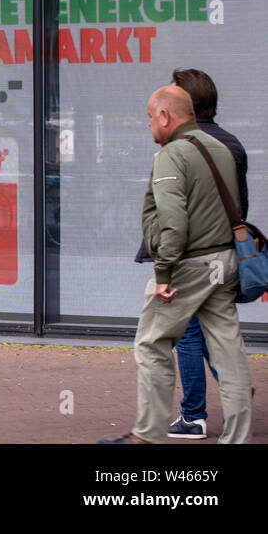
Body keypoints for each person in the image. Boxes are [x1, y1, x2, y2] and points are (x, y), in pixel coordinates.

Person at [101, 85, 251, 443]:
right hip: (225, 262)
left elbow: (173, 219)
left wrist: (163, 271)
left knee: (152, 344)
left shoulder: (172, 155)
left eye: (151, 117)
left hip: (188, 266)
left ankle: (147, 436)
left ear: (166, 116)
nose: (149, 125)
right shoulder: (221, 148)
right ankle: (238, 439)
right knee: (229, 355)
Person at [167, 69, 249, 439]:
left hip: (191, 257)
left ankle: (194, 415)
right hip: (225, 257)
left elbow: (174, 212)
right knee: (218, 332)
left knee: (187, 335)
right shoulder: (233, 144)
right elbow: (240, 206)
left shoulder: (183, 147)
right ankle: (234, 393)